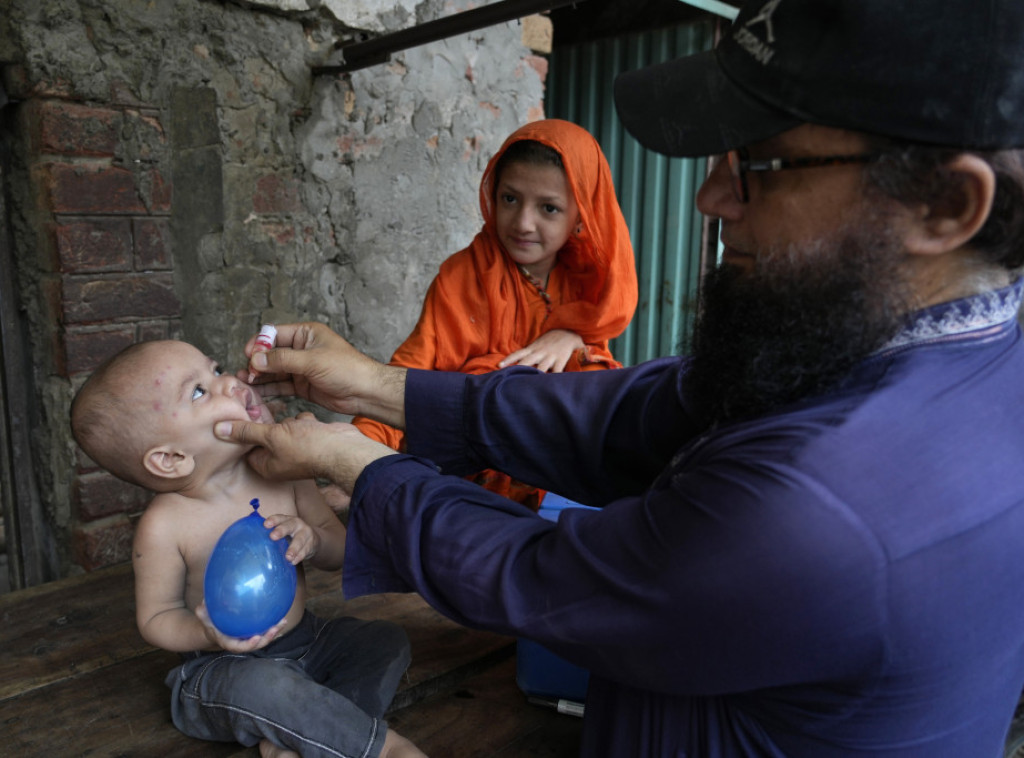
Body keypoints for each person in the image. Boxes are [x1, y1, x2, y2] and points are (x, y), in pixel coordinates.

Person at [214, 0, 1024, 755]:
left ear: (942, 204)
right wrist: (373, 387)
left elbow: (541, 578)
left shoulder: (828, 504)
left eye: (757, 168)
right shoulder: (871, 344)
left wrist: (356, 465)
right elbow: (639, 410)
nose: (711, 198)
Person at [69, 339, 425, 758]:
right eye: (199, 391)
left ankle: (298, 734)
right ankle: (376, 748)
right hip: (225, 667)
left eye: (216, 369)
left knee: (384, 641)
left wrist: (313, 541)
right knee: (264, 686)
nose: (228, 383)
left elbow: (342, 552)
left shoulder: (286, 473)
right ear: (171, 458)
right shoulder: (164, 525)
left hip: (306, 641)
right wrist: (207, 634)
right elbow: (157, 618)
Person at [353, 118, 638, 509]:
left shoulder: (586, 283)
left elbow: (590, 396)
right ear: (493, 193)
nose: (523, 223)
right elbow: (408, 377)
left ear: (580, 217)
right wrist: (355, 455)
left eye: (549, 208)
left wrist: (574, 338)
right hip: (467, 476)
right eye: (510, 199)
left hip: (555, 481)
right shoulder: (462, 278)